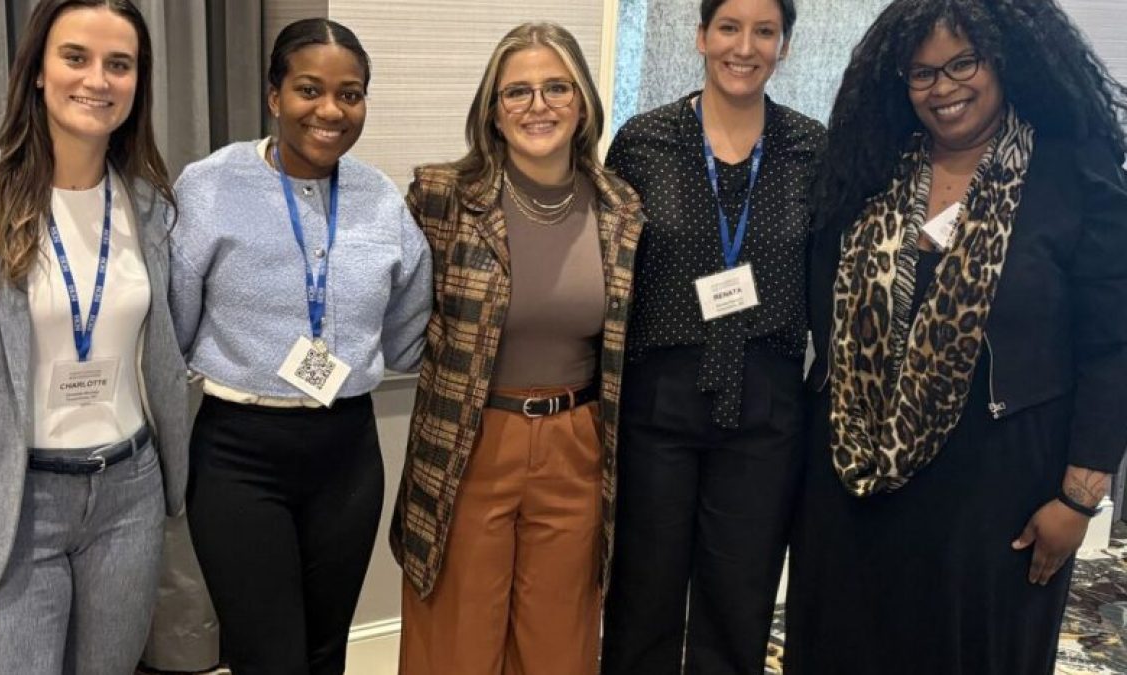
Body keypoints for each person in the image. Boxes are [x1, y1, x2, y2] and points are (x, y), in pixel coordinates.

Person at [783, 1, 1127, 673]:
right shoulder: (872, 167)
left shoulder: (1070, 174)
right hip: (855, 480)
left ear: (1002, 61)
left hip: (998, 491)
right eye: (922, 73)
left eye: (963, 64)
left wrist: (1079, 497)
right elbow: (825, 312)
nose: (943, 88)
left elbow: (1113, 345)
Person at [0, 1, 188, 672]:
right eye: (76, 57)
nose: (97, 80)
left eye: (119, 64)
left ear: (138, 82)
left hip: (128, 493)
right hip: (14, 505)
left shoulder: (150, 205)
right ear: (39, 70)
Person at [169, 18, 431, 675]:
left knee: (324, 652)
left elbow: (406, 333)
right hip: (240, 454)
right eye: (309, 89)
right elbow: (175, 324)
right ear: (274, 95)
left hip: (347, 454)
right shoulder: (210, 186)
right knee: (270, 658)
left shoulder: (380, 200)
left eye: (350, 94)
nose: (330, 110)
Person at [389, 21, 644, 675]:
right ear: (493, 111)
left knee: (559, 644)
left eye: (557, 87)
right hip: (469, 443)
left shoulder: (620, 208)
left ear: (582, 103)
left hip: (576, 444)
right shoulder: (442, 196)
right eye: (518, 92)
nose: (539, 106)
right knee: (456, 643)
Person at [599, 1, 824, 673]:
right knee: (643, 595)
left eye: (764, 31)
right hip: (659, 401)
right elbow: (609, 274)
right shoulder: (643, 141)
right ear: (701, 37)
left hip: (766, 406)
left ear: (785, 45)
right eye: (729, 27)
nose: (744, 47)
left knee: (739, 600)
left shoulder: (812, 148)